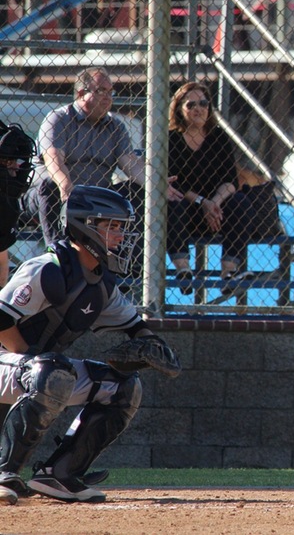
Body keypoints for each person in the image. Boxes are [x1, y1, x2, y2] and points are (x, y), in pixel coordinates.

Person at [0, 185, 180, 504]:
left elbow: (137, 329)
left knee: (124, 387)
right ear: (85, 226)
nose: (120, 236)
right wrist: (33, 360)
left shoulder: (101, 284)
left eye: (122, 227)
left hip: (34, 372)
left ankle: (60, 473)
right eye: (112, 226)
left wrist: (154, 349)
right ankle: (4, 473)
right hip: (9, 362)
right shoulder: (48, 268)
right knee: (53, 371)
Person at [25, 67, 183, 249]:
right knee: (50, 185)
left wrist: (155, 184)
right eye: (101, 91)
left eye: (110, 92)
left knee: (137, 190)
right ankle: (60, 253)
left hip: (94, 196)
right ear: (81, 93)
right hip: (53, 195)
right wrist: (67, 189)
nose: (108, 97)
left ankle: (130, 262)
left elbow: (131, 164)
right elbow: (54, 160)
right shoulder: (58, 119)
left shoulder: (116, 127)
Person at [166, 82, 263, 291]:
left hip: (215, 214)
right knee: (173, 201)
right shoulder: (171, 139)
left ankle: (229, 271)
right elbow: (174, 183)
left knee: (240, 202)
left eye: (203, 103)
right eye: (191, 105)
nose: (198, 109)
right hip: (186, 210)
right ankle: (183, 270)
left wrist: (214, 203)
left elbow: (231, 180)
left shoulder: (218, 137)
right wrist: (202, 202)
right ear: (179, 109)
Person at [0, 121, 36, 287]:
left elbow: (1, 262)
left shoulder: (7, 205)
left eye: (16, 161)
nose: (16, 168)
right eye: (8, 162)